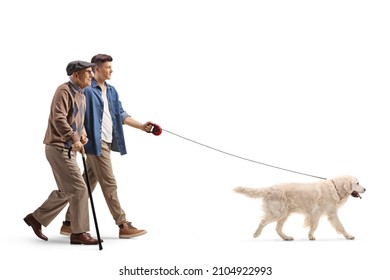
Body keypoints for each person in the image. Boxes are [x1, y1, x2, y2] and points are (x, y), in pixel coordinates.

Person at [59, 54, 156, 239]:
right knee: (109, 184)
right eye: (108, 67)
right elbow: (75, 114)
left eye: (111, 67)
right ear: (96, 69)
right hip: (96, 142)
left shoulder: (111, 90)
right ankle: (122, 224)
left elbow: (120, 114)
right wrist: (77, 137)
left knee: (86, 184)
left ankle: (69, 222)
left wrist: (142, 126)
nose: (111, 70)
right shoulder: (86, 90)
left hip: (108, 140)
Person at [24, 60, 101, 245]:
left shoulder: (81, 93)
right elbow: (58, 118)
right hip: (58, 147)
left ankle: (36, 218)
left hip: (67, 149)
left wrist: (82, 135)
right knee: (80, 188)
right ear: (76, 75)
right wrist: (73, 138)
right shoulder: (64, 91)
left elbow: (76, 122)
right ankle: (79, 232)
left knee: (68, 191)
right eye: (87, 72)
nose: (91, 75)